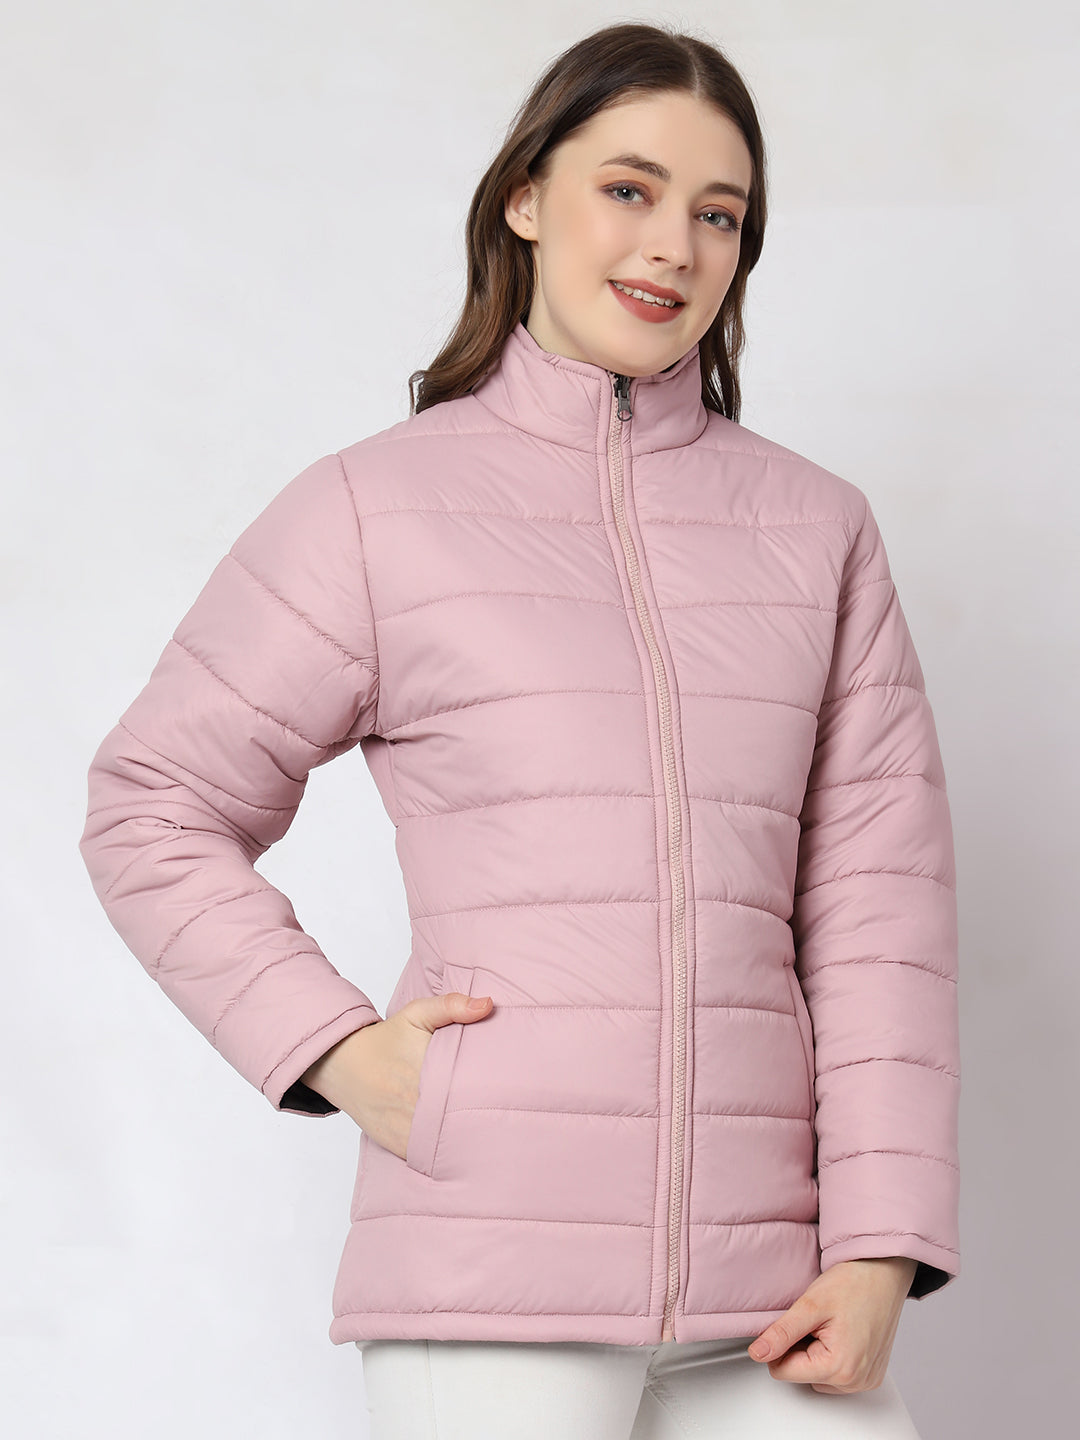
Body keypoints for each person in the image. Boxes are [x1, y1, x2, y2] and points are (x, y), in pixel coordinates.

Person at [78, 20, 960, 1440]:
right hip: (490, 1280)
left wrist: (881, 1244)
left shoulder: (818, 530)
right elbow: (151, 803)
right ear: (527, 198)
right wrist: (338, 1050)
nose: (673, 244)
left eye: (718, 213)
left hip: (774, 1289)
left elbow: (877, 911)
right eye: (629, 189)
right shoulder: (376, 510)